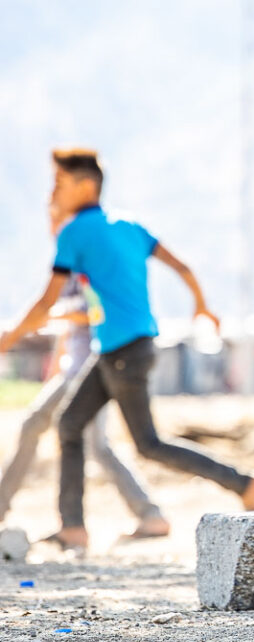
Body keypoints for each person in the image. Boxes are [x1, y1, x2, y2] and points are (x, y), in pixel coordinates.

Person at [0, 149, 254, 551]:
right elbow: (182, 267)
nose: (53, 191)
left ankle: (246, 485)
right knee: (70, 425)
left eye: (59, 182)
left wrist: (9, 339)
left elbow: (45, 302)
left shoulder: (75, 231)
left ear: (85, 185)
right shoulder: (129, 225)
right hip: (121, 348)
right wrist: (201, 304)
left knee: (148, 444)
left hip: (123, 351)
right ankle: (73, 527)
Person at [0, 203, 169, 538]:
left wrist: (47, 316)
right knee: (65, 433)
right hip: (73, 368)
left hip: (93, 366)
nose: (53, 224)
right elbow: (69, 331)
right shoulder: (68, 267)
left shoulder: (86, 261)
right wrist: (54, 367)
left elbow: (95, 312)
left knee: (94, 442)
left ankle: (142, 516)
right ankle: (137, 517)